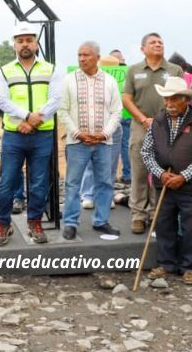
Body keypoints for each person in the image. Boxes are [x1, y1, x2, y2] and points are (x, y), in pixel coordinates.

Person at [0, 23, 63, 246]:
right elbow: (2, 101)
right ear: (14, 45)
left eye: (29, 40)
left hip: (42, 135)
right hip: (14, 135)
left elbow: (56, 99)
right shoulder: (5, 71)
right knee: (7, 182)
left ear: (36, 44)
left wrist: (35, 120)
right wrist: (26, 116)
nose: (25, 44)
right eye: (20, 41)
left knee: (39, 183)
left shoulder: (51, 70)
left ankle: (35, 222)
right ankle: (3, 224)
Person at [141, 77, 192, 285]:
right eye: (166, 99)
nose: (169, 104)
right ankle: (166, 264)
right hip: (164, 183)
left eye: (174, 99)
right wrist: (160, 174)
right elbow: (146, 152)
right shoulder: (158, 121)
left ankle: (188, 267)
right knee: (164, 225)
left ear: (186, 100)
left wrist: (184, 176)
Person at [58, 42, 123, 240]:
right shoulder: (69, 80)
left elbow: (116, 111)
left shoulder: (109, 81)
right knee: (73, 183)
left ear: (97, 57)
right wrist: (78, 133)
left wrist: (104, 134)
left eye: (86, 55)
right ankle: (70, 223)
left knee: (104, 182)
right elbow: (62, 110)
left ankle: (101, 221)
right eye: (79, 55)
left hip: (103, 142)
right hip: (77, 143)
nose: (82, 59)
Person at [123, 33, 183, 234]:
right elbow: (127, 99)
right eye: (153, 42)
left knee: (161, 172)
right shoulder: (134, 70)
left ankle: (156, 214)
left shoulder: (174, 70)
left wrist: (161, 119)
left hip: (167, 126)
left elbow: (180, 98)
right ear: (143, 49)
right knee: (139, 172)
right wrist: (143, 119)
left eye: (160, 42)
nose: (158, 44)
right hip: (141, 126)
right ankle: (138, 215)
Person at [79, 55, 123, 209]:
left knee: (110, 163)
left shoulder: (121, 81)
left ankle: (105, 195)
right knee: (90, 162)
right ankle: (88, 194)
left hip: (113, 126)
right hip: (91, 126)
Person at [110, 49, 132, 185]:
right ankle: (128, 174)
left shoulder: (105, 72)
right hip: (126, 112)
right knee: (126, 145)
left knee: (109, 146)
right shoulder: (129, 72)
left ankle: (110, 176)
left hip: (111, 114)